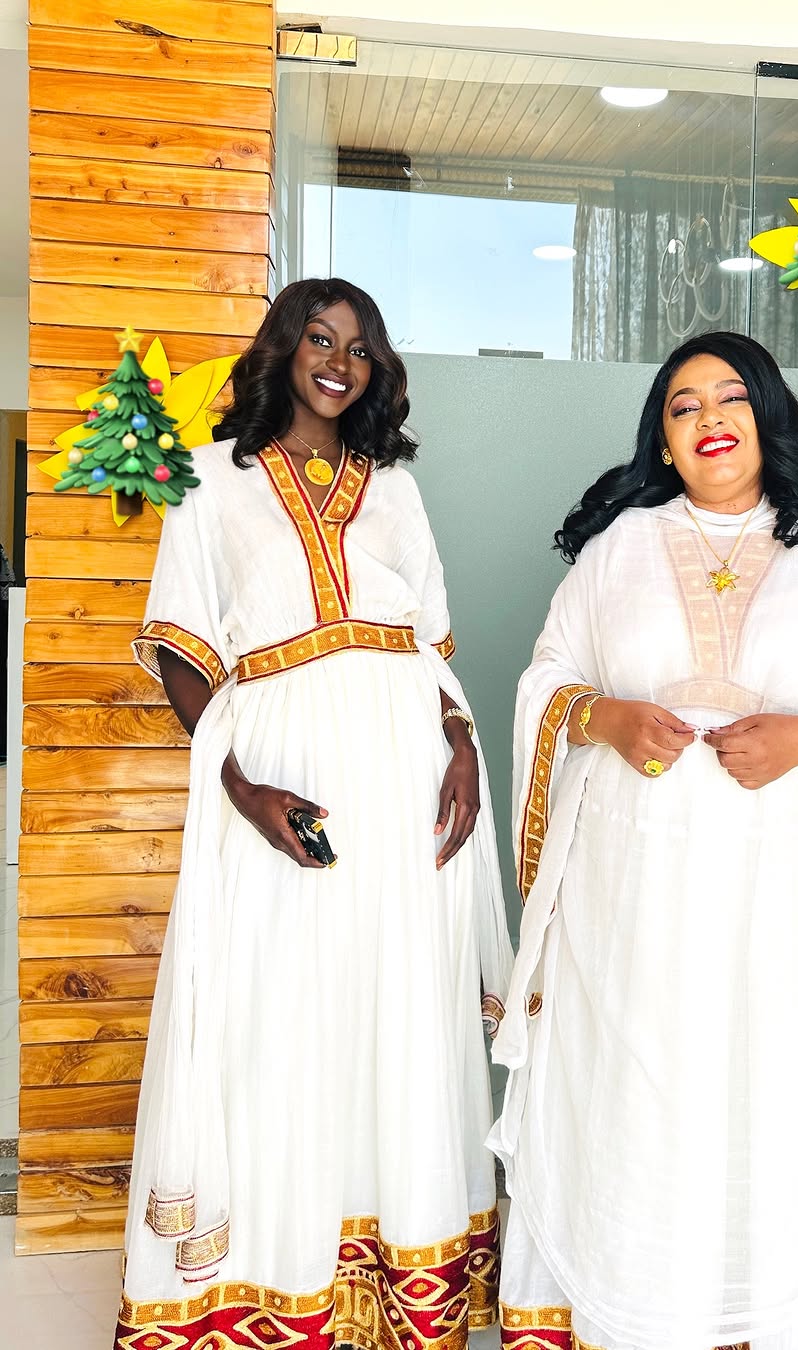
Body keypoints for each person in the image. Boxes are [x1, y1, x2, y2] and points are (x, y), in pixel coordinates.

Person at [490, 332, 798, 1350]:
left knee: (776, 1095)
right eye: (684, 405)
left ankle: (770, 1310)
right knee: (642, 1092)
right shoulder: (619, 547)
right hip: (633, 891)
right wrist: (602, 718)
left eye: (730, 398)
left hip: (785, 888)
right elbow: (546, 679)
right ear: (662, 436)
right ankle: (639, 1308)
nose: (710, 420)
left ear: (769, 414)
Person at [114, 278, 514, 1350]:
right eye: (320, 339)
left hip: (407, 775)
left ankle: (396, 1279)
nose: (340, 360)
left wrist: (465, 750)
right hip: (290, 778)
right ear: (284, 348)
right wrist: (242, 787)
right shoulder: (210, 485)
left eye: (361, 346)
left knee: (398, 1008)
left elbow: (430, 645)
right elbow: (184, 657)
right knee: (280, 1015)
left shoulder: (396, 491)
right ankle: (268, 1283)